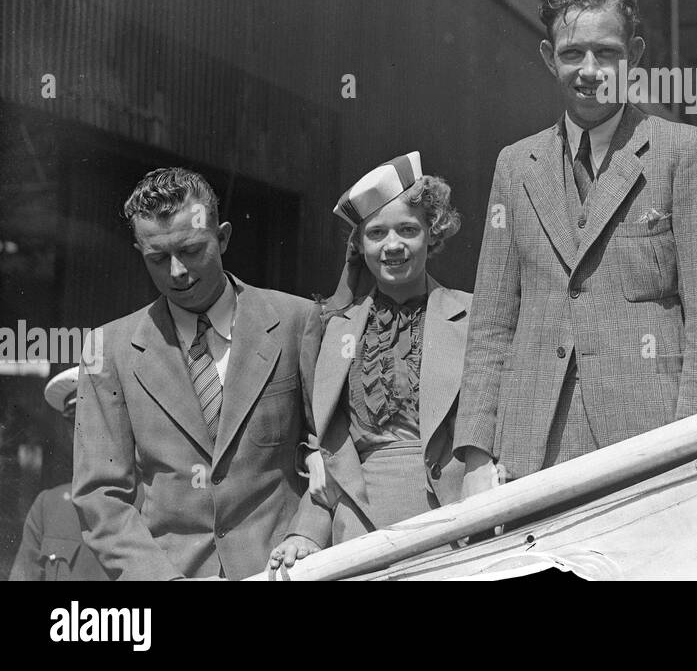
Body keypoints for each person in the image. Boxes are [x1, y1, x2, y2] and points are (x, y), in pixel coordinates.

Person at [456, 0, 697, 498]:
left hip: (650, 444)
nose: (589, 72)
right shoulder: (516, 165)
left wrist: (695, 442)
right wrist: (476, 454)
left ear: (633, 56)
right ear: (548, 57)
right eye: (572, 53)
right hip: (530, 449)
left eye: (606, 53)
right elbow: (493, 321)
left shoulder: (686, 152)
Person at [72, 167, 326, 580]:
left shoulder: (297, 321)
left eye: (190, 251)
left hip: (287, 570)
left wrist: (308, 533)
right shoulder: (108, 350)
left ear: (222, 237)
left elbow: (331, 449)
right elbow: (99, 494)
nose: (176, 272)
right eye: (157, 258)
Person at [266, 153, 469, 572]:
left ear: (433, 233)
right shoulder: (334, 330)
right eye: (377, 233)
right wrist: (305, 531)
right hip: (358, 528)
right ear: (360, 245)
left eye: (408, 230)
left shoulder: (474, 316)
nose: (392, 245)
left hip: (456, 524)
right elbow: (330, 455)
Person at [9, 368, 108, 581]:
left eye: (99, 419)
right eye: (75, 423)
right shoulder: (49, 506)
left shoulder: (157, 504)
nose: (85, 434)